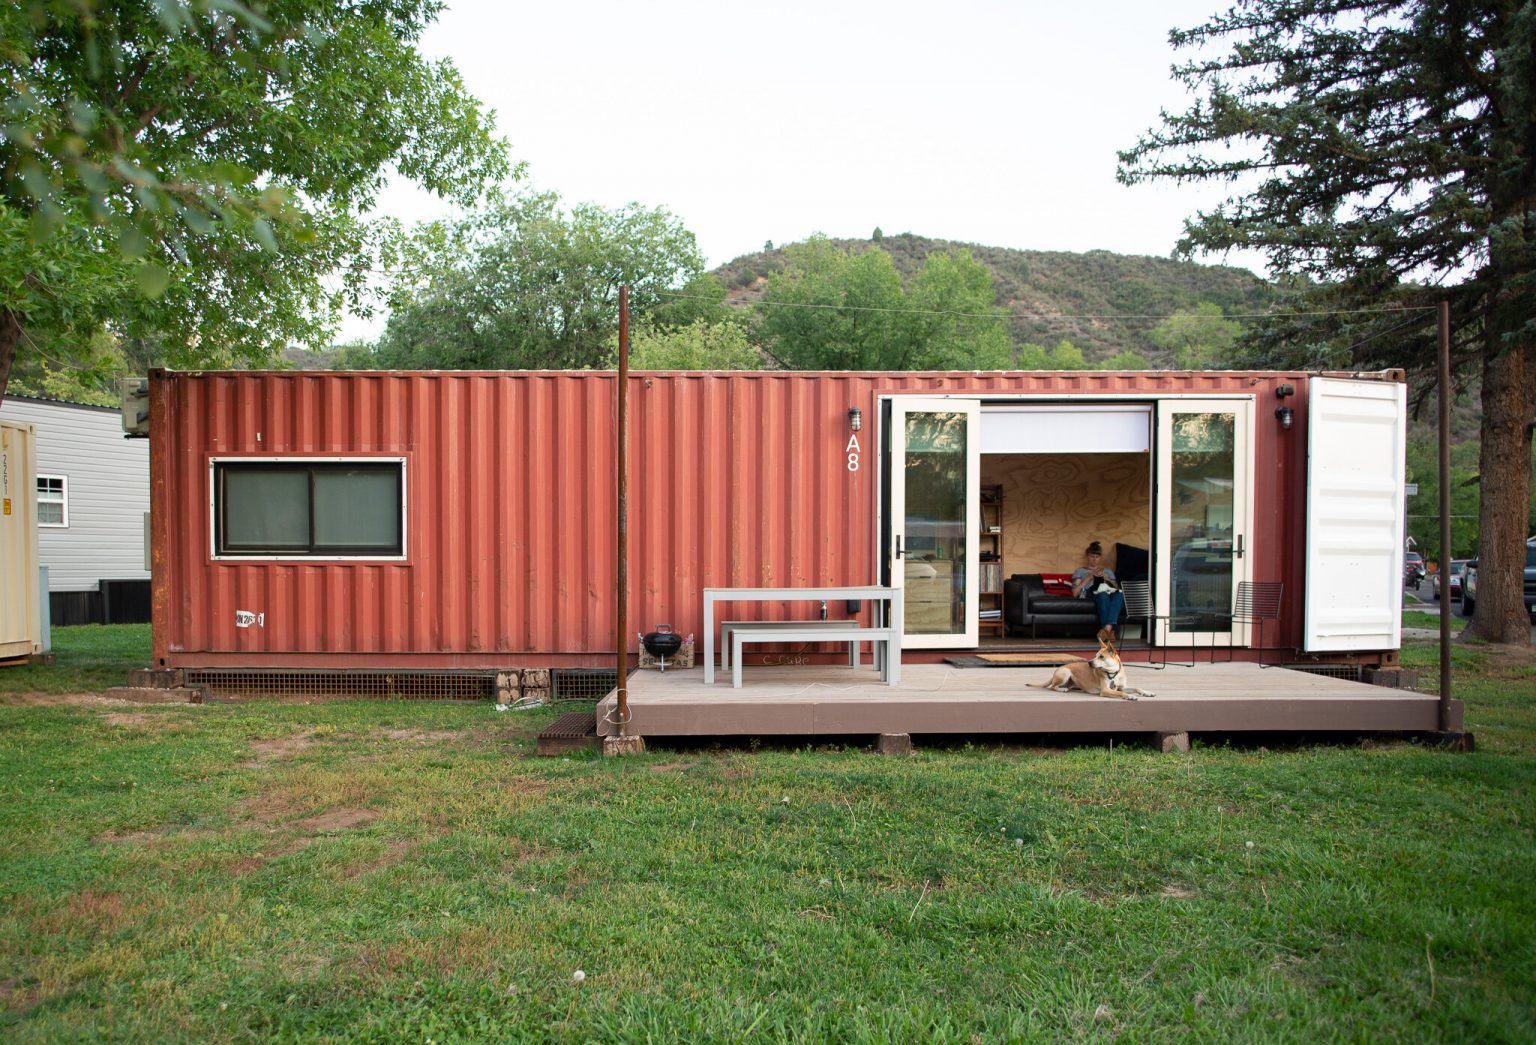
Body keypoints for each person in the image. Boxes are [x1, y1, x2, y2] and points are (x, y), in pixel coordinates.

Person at [1071, 540, 1125, 629]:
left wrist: (1107, 578)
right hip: (1091, 592)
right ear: (1087, 557)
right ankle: (1108, 630)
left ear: (1100, 558)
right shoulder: (1080, 571)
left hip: (1108, 590)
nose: (1094, 559)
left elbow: (1116, 588)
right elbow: (1075, 593)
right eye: (1092, 556)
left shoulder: (1107, 571)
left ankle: (1107, 628)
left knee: (1119, 594)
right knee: (1102, 594)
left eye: (1097, 557)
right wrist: (1088, 578)